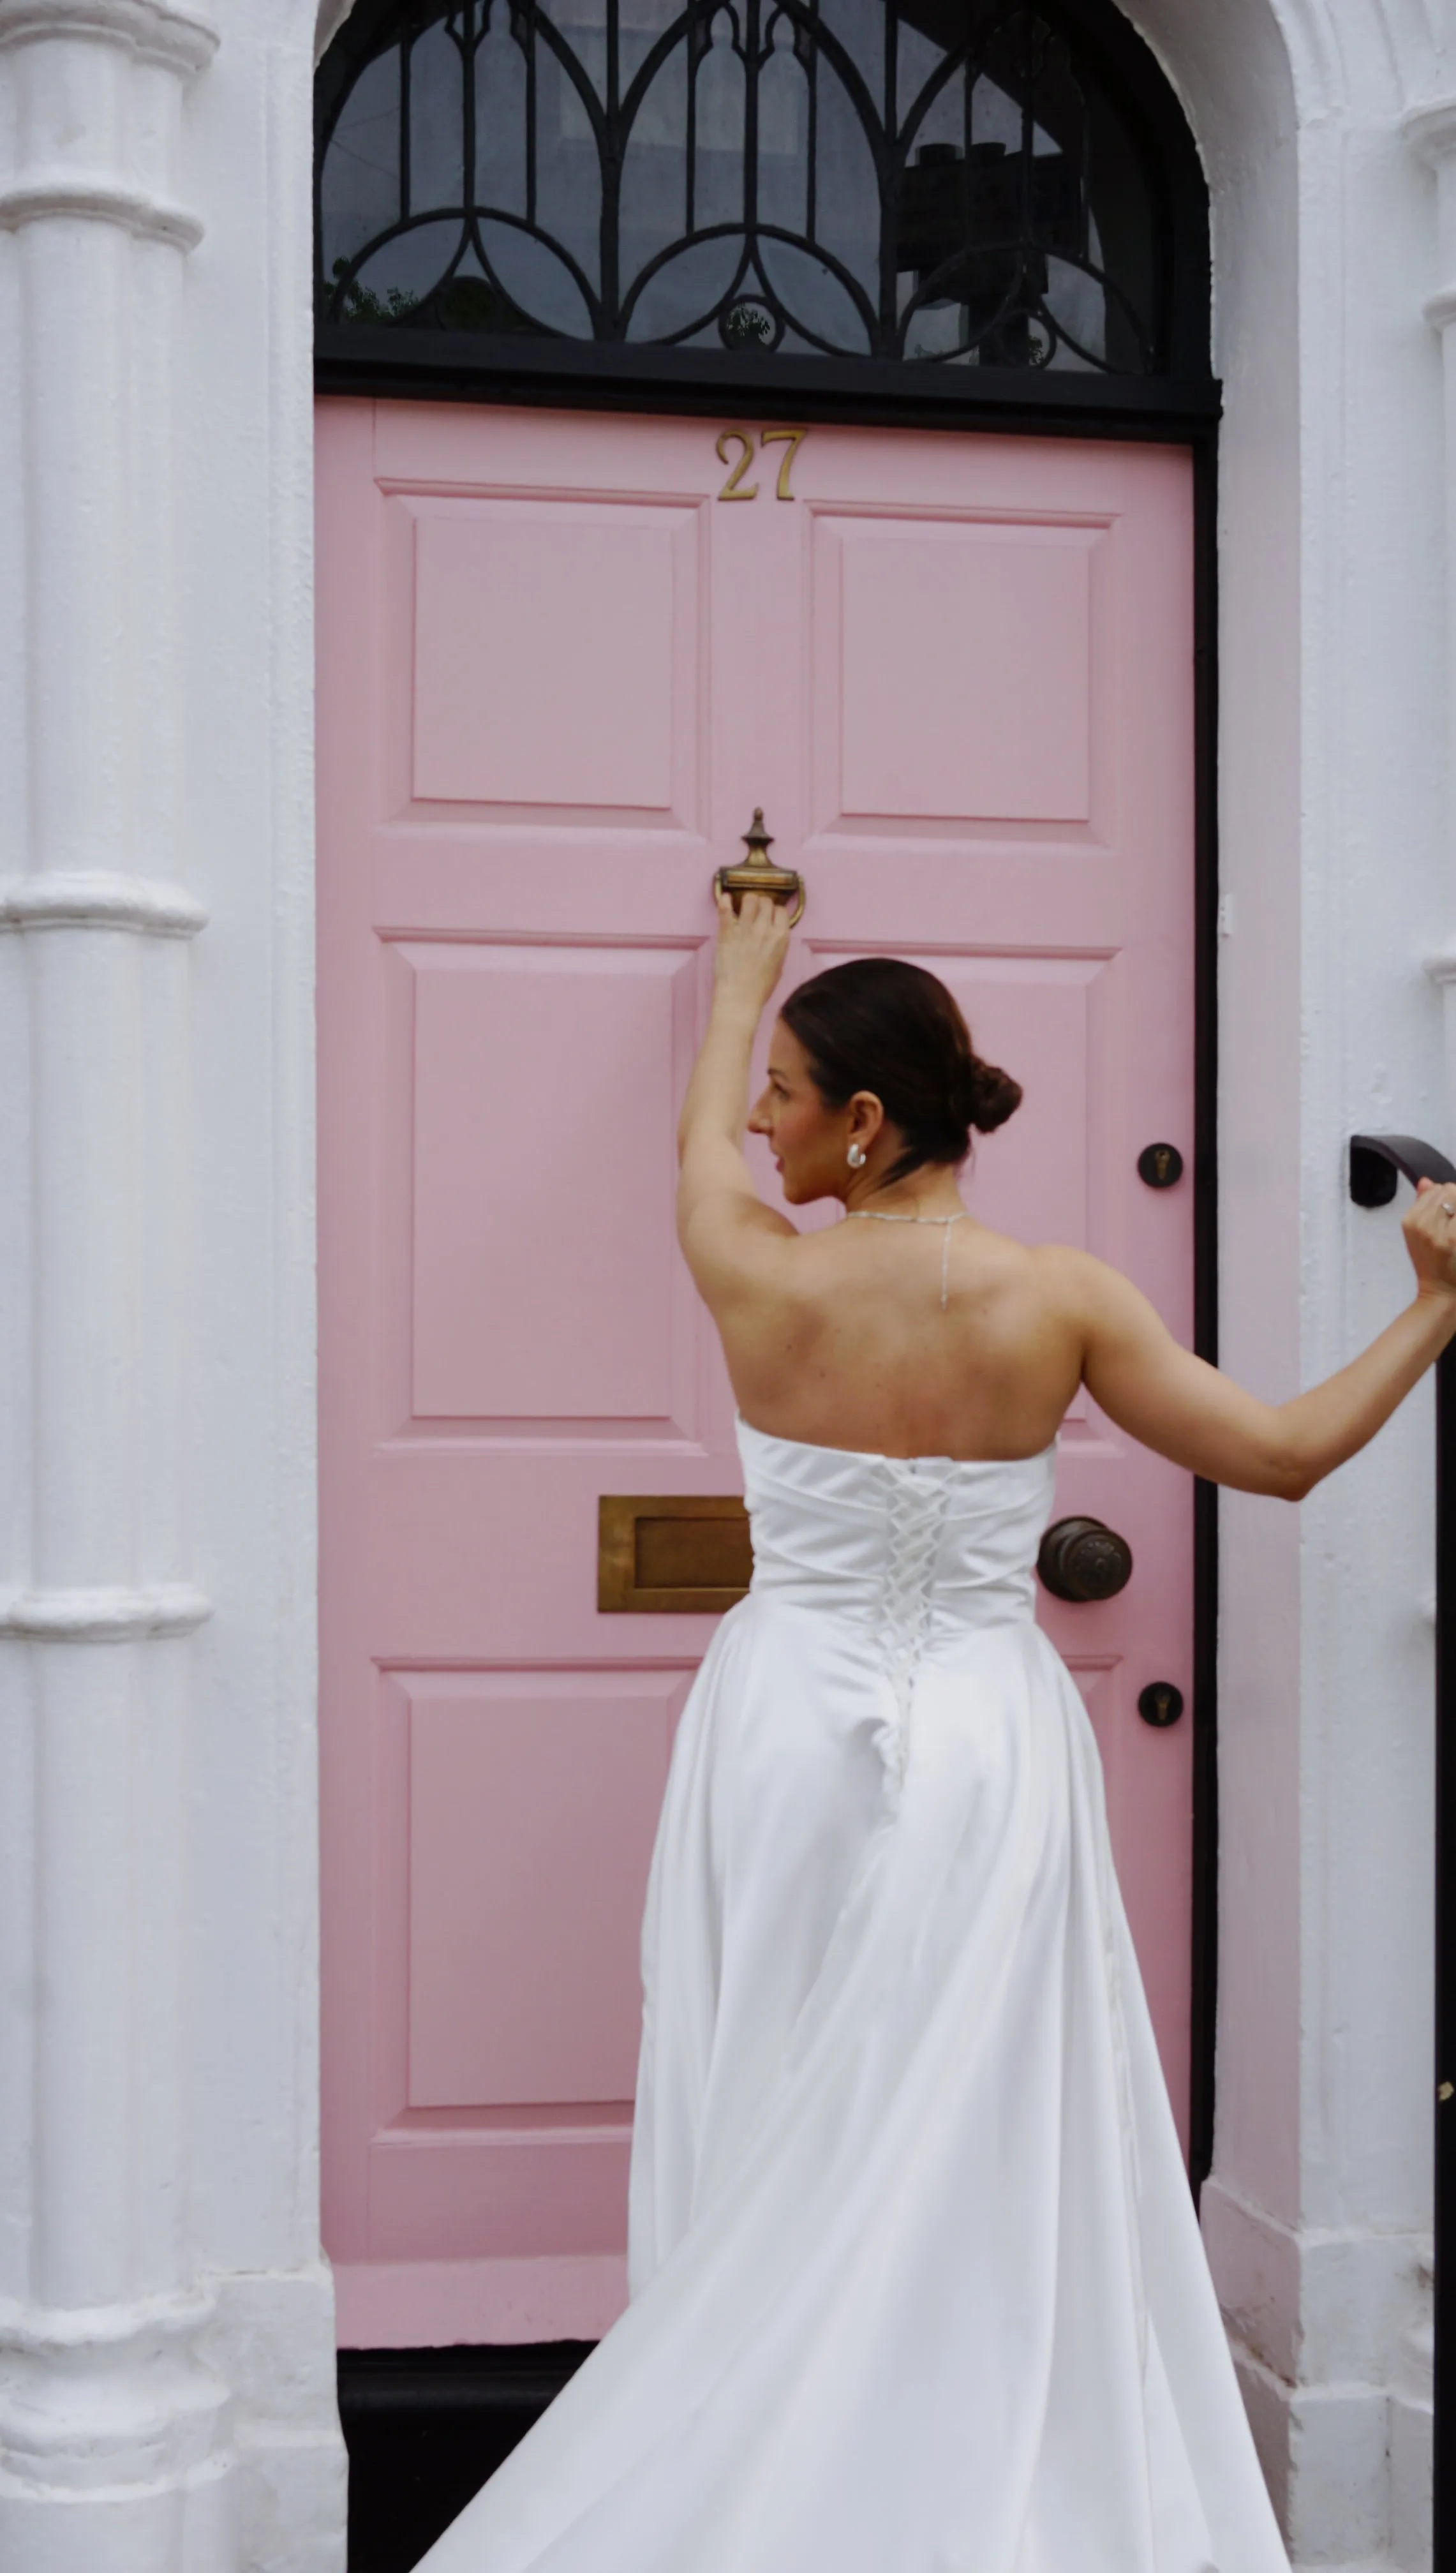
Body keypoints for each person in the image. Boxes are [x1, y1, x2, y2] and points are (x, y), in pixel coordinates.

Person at [417, 893, 1456, 2573]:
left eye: (785, 1093)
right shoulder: (1065, 1301)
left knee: (764, 2096)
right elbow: (1279, 1456)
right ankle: (953, 2470)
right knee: (977, 2122)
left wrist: (745, 955)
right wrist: (1433, 1306)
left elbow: (691, 1150)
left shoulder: (748, 1269)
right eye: (757, 1091)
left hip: (777, 1732)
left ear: (867, 1122)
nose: (758, 1125)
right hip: (984, 1740)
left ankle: (759, 2470)